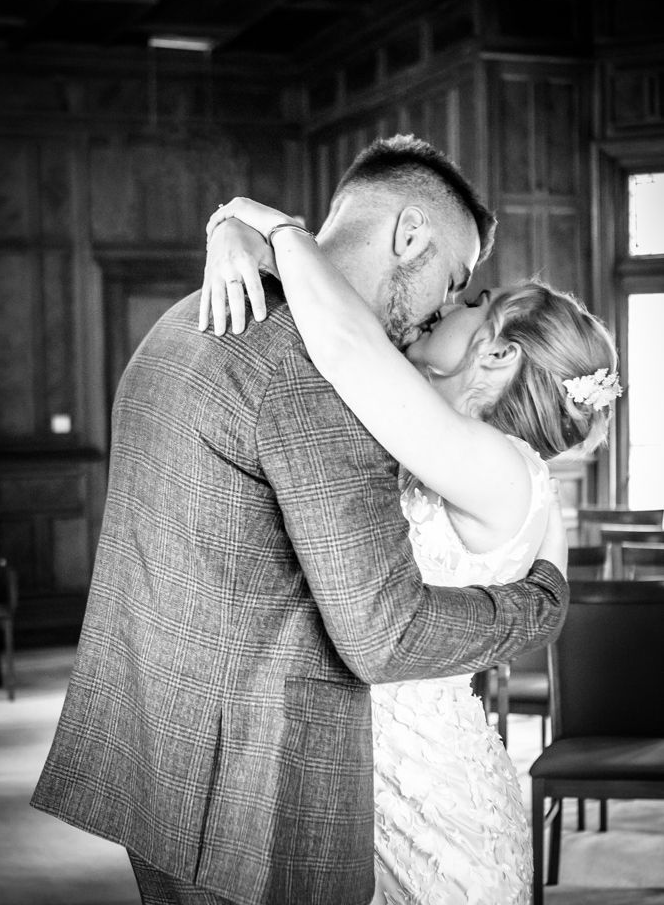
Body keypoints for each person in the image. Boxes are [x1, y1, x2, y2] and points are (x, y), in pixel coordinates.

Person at [31, 136, 570, 905]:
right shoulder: (315, 372)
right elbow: (383, 634)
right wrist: (536, 606)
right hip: (255, 801)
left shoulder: (186, 318)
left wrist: (237, 223)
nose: (443, 309)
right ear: (409, 235)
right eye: (452, 281)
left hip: (156, 760)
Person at [199, 185, 620, 905]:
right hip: (364, 761)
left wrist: (258, 220)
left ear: (495, 356)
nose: (444, 306)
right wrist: (230, 237)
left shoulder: (497, 465)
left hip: (429, 797)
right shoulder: (454, 448)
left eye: (470, 304)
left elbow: (343, 342)